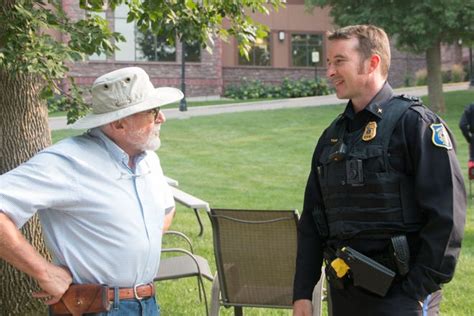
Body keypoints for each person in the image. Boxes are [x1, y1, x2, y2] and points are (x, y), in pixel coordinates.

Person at [293, 25, 466, 316]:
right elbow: (312, 222)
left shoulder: (415, 125)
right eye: (328, 63)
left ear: (372, 63)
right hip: (344, 295)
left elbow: (447, 217)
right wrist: (301, 294)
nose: (330, 72)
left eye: (339, 61)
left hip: (403, 298)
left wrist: (417, 289)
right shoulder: (332, 137)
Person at [0, 66, 183, 315]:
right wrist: (43, 271)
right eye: (153, 112)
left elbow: (165, 209)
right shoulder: (68, 162)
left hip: (148, 304)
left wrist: (132, 241)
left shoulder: (147, 159)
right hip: (97, 307)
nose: (162, 118)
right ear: (119, 123)